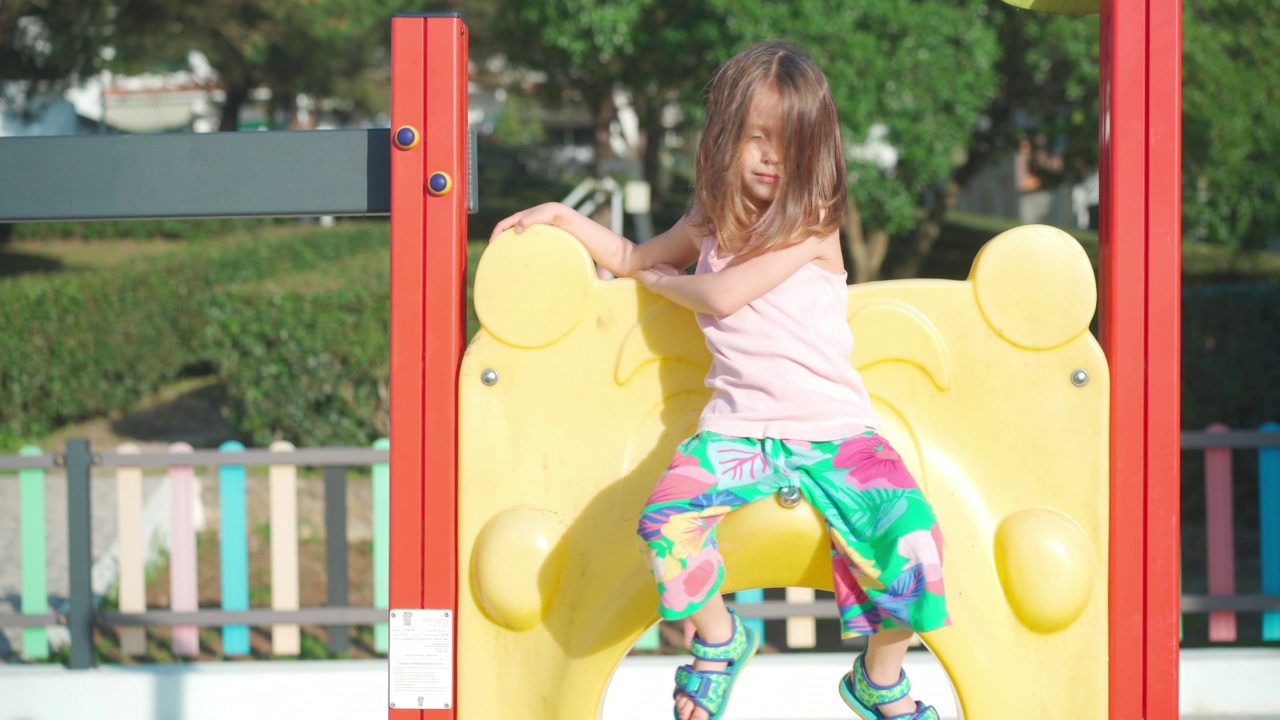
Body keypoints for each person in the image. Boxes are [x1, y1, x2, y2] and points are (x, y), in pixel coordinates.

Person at [490, 41, 949, 720]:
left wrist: (670, 286)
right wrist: (561, 216)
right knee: (662, 522)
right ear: (725, 139)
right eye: (756, 139)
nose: (771, 158)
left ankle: (879, 680)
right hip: (738, 432)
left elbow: (724, 296)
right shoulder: (708, 223)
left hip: (834, 432)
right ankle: (721, 640)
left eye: (789, 143)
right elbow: (630, 257)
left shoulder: (813, 223)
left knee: (913, 540)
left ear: (814, 151)